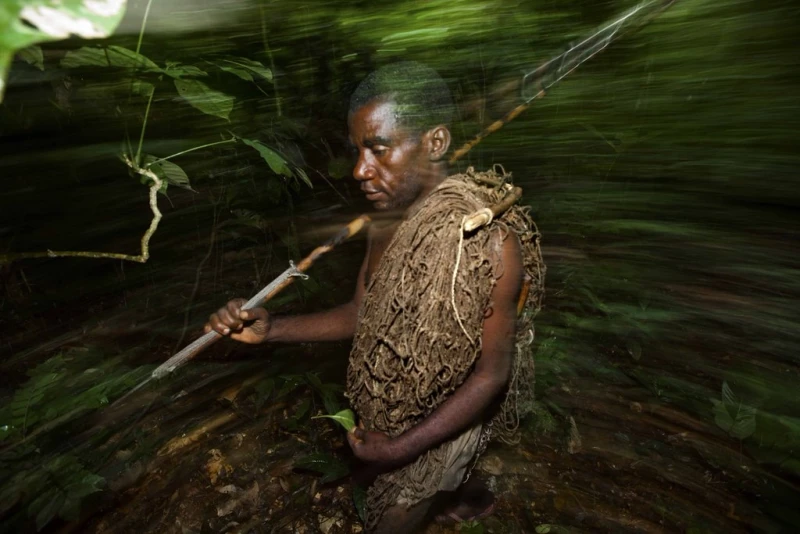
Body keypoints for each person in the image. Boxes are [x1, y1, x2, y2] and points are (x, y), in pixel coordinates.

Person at [205, 62, 544, 533]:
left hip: (447, 420)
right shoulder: (384, 225)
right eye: (358, 151)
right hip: (394, 412)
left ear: (436, 143)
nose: (360, 169)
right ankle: (460, 497)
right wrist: (272, 328)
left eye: (379, 149)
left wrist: (402, 449)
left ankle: (455, 491)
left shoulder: (489, 242)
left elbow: (491, 375)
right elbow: (364, 313)